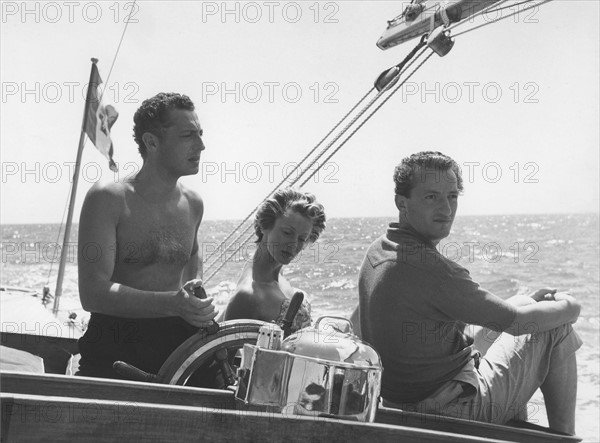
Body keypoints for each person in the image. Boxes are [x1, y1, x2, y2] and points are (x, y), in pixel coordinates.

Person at [358, 151, 582, 434]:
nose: (446, 208)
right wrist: (571, 307)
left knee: (525, 302)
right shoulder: (431, 269)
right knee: (555, 328)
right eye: (431, 197)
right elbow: (517, 323)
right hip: (451, 411)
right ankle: (565, 437)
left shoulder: (379, 250)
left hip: (401, 402)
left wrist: (527, 305)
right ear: (402, 203)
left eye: (452, 196)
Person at [76, 92, 217, 379]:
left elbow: (191, 277)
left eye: (200, 134)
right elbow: (92, 294)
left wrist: (196, 303)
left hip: (177, 355)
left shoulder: (193, 204)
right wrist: (173, 303)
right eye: (189, 135)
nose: (201, 145)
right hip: (113, 354)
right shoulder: (108, 198)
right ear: (151, 142)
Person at [223, 188, 326, 332]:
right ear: (265, 226)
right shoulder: (249, 295)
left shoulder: (274, 277)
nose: (294, 244)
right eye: (287, 233)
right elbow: (226, 352)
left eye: (302, 238)